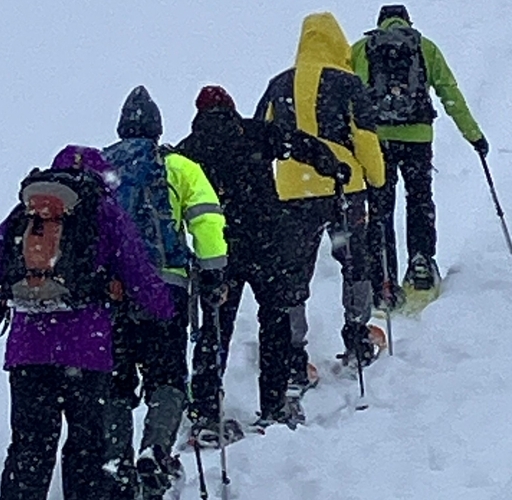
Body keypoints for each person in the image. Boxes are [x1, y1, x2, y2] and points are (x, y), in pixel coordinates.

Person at [0, 145, 173, 500]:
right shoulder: (106, 213)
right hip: (87, 354)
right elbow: (140, 276)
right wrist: (165, 310)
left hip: (29, 353)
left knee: (29, 448)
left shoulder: (28, 214)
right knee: (86, 450)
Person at [176, 85, 351, 436]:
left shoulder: (188, 152)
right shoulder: (254, 132)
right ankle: (274, 404)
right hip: (266, 244)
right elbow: (300, 144)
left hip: (218, 253)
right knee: (274, 321)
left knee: (214, 328)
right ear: (230, 106)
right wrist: (333, 167)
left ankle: (205, 410)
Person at [91, 86, 228, 498]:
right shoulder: (178, 166)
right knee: (167, 376)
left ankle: (117, 458)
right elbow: (206, 221)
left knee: (116, 381)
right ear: (156, 129)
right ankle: (155, 449)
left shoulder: (98, 169)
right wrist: (213, 274)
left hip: (112, 290)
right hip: (166, 287)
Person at [254, 12, 386, 371]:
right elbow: (366, 139)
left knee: (294, 271)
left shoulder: (278, 84)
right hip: (344, 188)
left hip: (292, 193)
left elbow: (259, 140)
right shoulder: (347, 83)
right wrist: (377, 180)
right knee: (354, 261)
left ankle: (294, 351)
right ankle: (358, 334)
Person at [350, 4, 489, 305]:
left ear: (380, 23)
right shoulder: (424, 47)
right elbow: (449, 93)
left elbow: (349, 96)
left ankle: (383, 275)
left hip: (377, 142)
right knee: (419, 200)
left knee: (380, 208)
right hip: (418, 139)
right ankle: (422, 263)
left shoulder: (362, 48)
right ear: (407, 21)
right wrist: (473, 135)